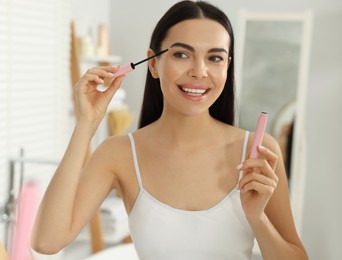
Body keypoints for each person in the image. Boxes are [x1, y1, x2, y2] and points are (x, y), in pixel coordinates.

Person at [31, 1, 308, 259]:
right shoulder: (118, 154)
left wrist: (257, 218)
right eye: (182, 54)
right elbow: (46, 241)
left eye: (215, 58)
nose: (199, 71)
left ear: (227, 67)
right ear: (153, 63)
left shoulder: (258, 151)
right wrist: (86, 124)